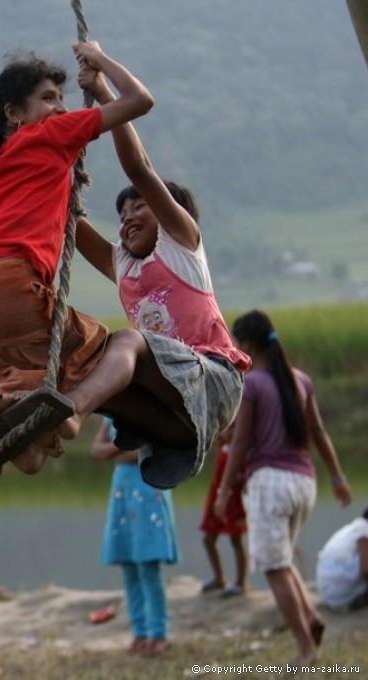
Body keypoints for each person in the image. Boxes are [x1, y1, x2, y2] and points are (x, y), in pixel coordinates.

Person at [0, 40, 154, 476]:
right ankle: (65, 418)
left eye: (62, 98)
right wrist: (100, 64)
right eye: (48, 98)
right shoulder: (53, 133)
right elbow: (141, 101)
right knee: (96, 345)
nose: (59, 107)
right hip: (7, 289)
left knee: (24, 414)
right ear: (15, 113)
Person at [56, 64, 251, 491]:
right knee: (81, 354)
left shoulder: (181, 245)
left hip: (213, 385)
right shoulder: (124, 265)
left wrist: (106, 91)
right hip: (173, 417)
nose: (127, 220)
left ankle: (72, 411)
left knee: (122, 340)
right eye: (122, 215)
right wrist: (39, 147)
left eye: (139, 208)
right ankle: (36, 442)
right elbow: (65, 218)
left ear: (168, 213)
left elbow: (139, 170)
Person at [214, 309, 352, 668]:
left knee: (273, 567)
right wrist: (337, 478)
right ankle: (311, 617)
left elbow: (241, 442)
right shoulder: (300, 380)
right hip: (304, 483)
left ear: (244, 345)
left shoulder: (253, 383)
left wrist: (224, 490)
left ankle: (306, 649)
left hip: (269, 484)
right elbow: (319, 434)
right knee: (283, 558)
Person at [92, 416, 179, 655]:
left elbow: (143, 452)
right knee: (129, 565)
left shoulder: (147, 411)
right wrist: (121, 451)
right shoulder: (110, 417)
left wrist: (114, 453)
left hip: (148, 489)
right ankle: (139, 631)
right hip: (123, 488)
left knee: (148, 566)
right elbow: (96, 451)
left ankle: (158, 633)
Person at [199, 422, 247, 596]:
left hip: (233, 501)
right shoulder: (224, 447)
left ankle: (241, 582)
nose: (228, 432)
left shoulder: (241, 451)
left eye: (233, 428)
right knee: (208, 539)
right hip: (217, 499)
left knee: (236, 541)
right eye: (226, 427)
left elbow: (244, 475)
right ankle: (219, 577)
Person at [316, 507, 368, 610]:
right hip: (340, 591)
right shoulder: (364, 530)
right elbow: (366, 569)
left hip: (328, 592)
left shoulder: (356, 527)